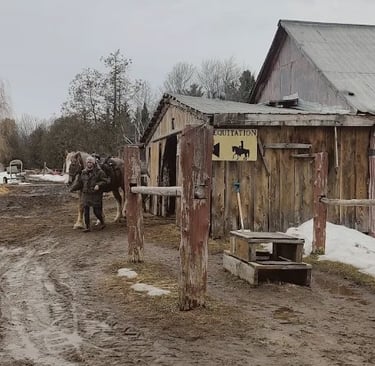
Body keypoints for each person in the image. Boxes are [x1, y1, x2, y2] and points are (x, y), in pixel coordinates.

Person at [70, 156, 109, 232]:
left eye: (90, 162)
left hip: (96, 194)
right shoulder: (83, 172)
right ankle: (87, 227)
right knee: (86, 211)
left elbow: (106, 181)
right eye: (88, 162)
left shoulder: (99, 172)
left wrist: (99, 185)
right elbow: (80, 183)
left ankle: (102, 222)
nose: (89, 164)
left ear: (93, 163)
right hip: (86, 194)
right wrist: (72, 188)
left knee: (96, 212)